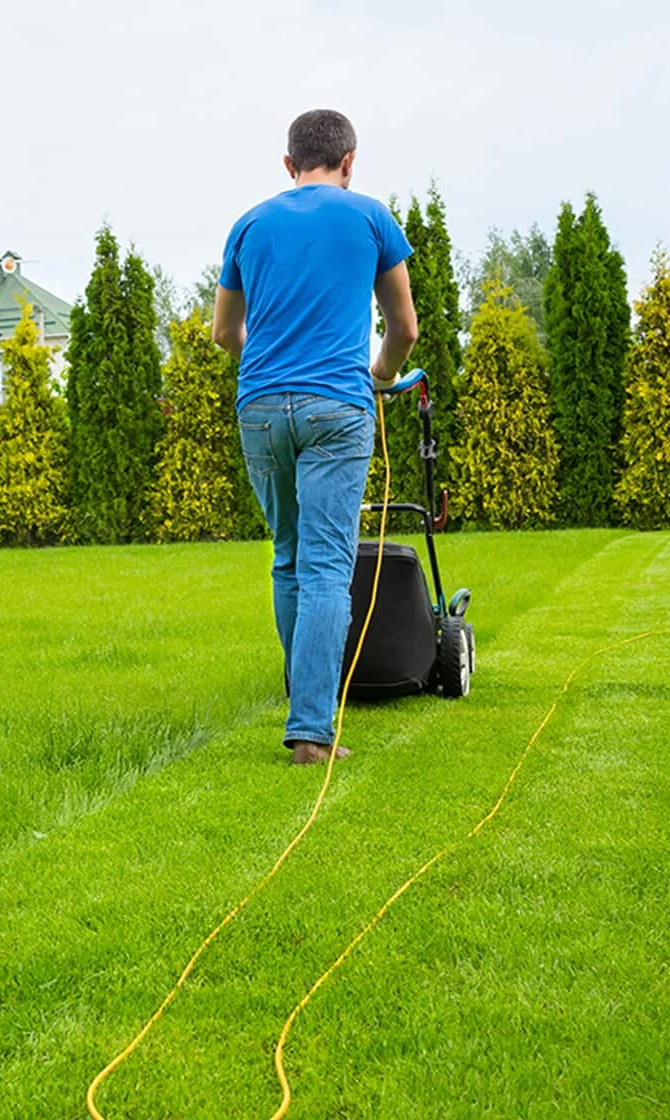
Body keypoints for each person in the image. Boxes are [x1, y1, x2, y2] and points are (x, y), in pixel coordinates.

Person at [212, 108, 418, 765]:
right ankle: (310, 733)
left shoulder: (249, 224)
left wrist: (269, 364)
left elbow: (223, 334)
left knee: (289, 556)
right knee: (329, 566)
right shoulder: (370, 218)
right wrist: (378, 375)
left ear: (288, 165)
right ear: (350, 162)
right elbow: (403, 327)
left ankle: (304, 696)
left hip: (262, 409)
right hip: (338, 407)